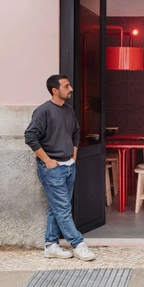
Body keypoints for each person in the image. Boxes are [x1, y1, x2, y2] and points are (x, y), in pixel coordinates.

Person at [24, 74, 96, 261]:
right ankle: (78, 244)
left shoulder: (68, 111)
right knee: (62, 208)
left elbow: (76, 133)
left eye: (69, 85)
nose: (70, 89)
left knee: (57, 207)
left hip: (68, 166)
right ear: (55, 90)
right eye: (66, 86)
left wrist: (74, 155)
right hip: (52, 169)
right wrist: (47, 161)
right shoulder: (43, 111)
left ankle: (51, 245)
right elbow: (30, 136)